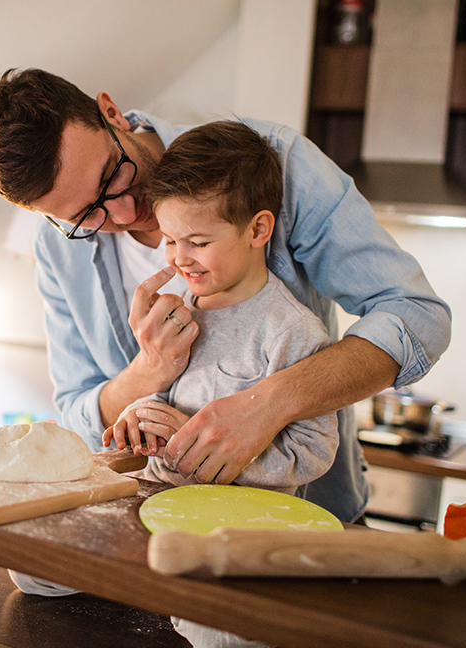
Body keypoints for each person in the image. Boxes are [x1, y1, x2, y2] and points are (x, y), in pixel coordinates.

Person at [0, 68, 451, 524]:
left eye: (113, 175)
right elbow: (78, 413)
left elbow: (416, 315)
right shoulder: (56, 245)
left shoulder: (275, 163)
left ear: (111, 113)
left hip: (303, 522)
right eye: (84, 216)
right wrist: (147, 375)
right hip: (155, 523)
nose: (124, 211)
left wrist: (268, 404)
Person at [102, 121, 338, 501]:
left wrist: (193, 443)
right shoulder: (176, 314)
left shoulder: (292, 332)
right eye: (169, 241)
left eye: (197, 242)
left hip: (243, 535)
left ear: (258, 230)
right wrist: (142, 415)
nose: (180, 259)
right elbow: (166, 397)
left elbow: (311, 453)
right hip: (161, 514)